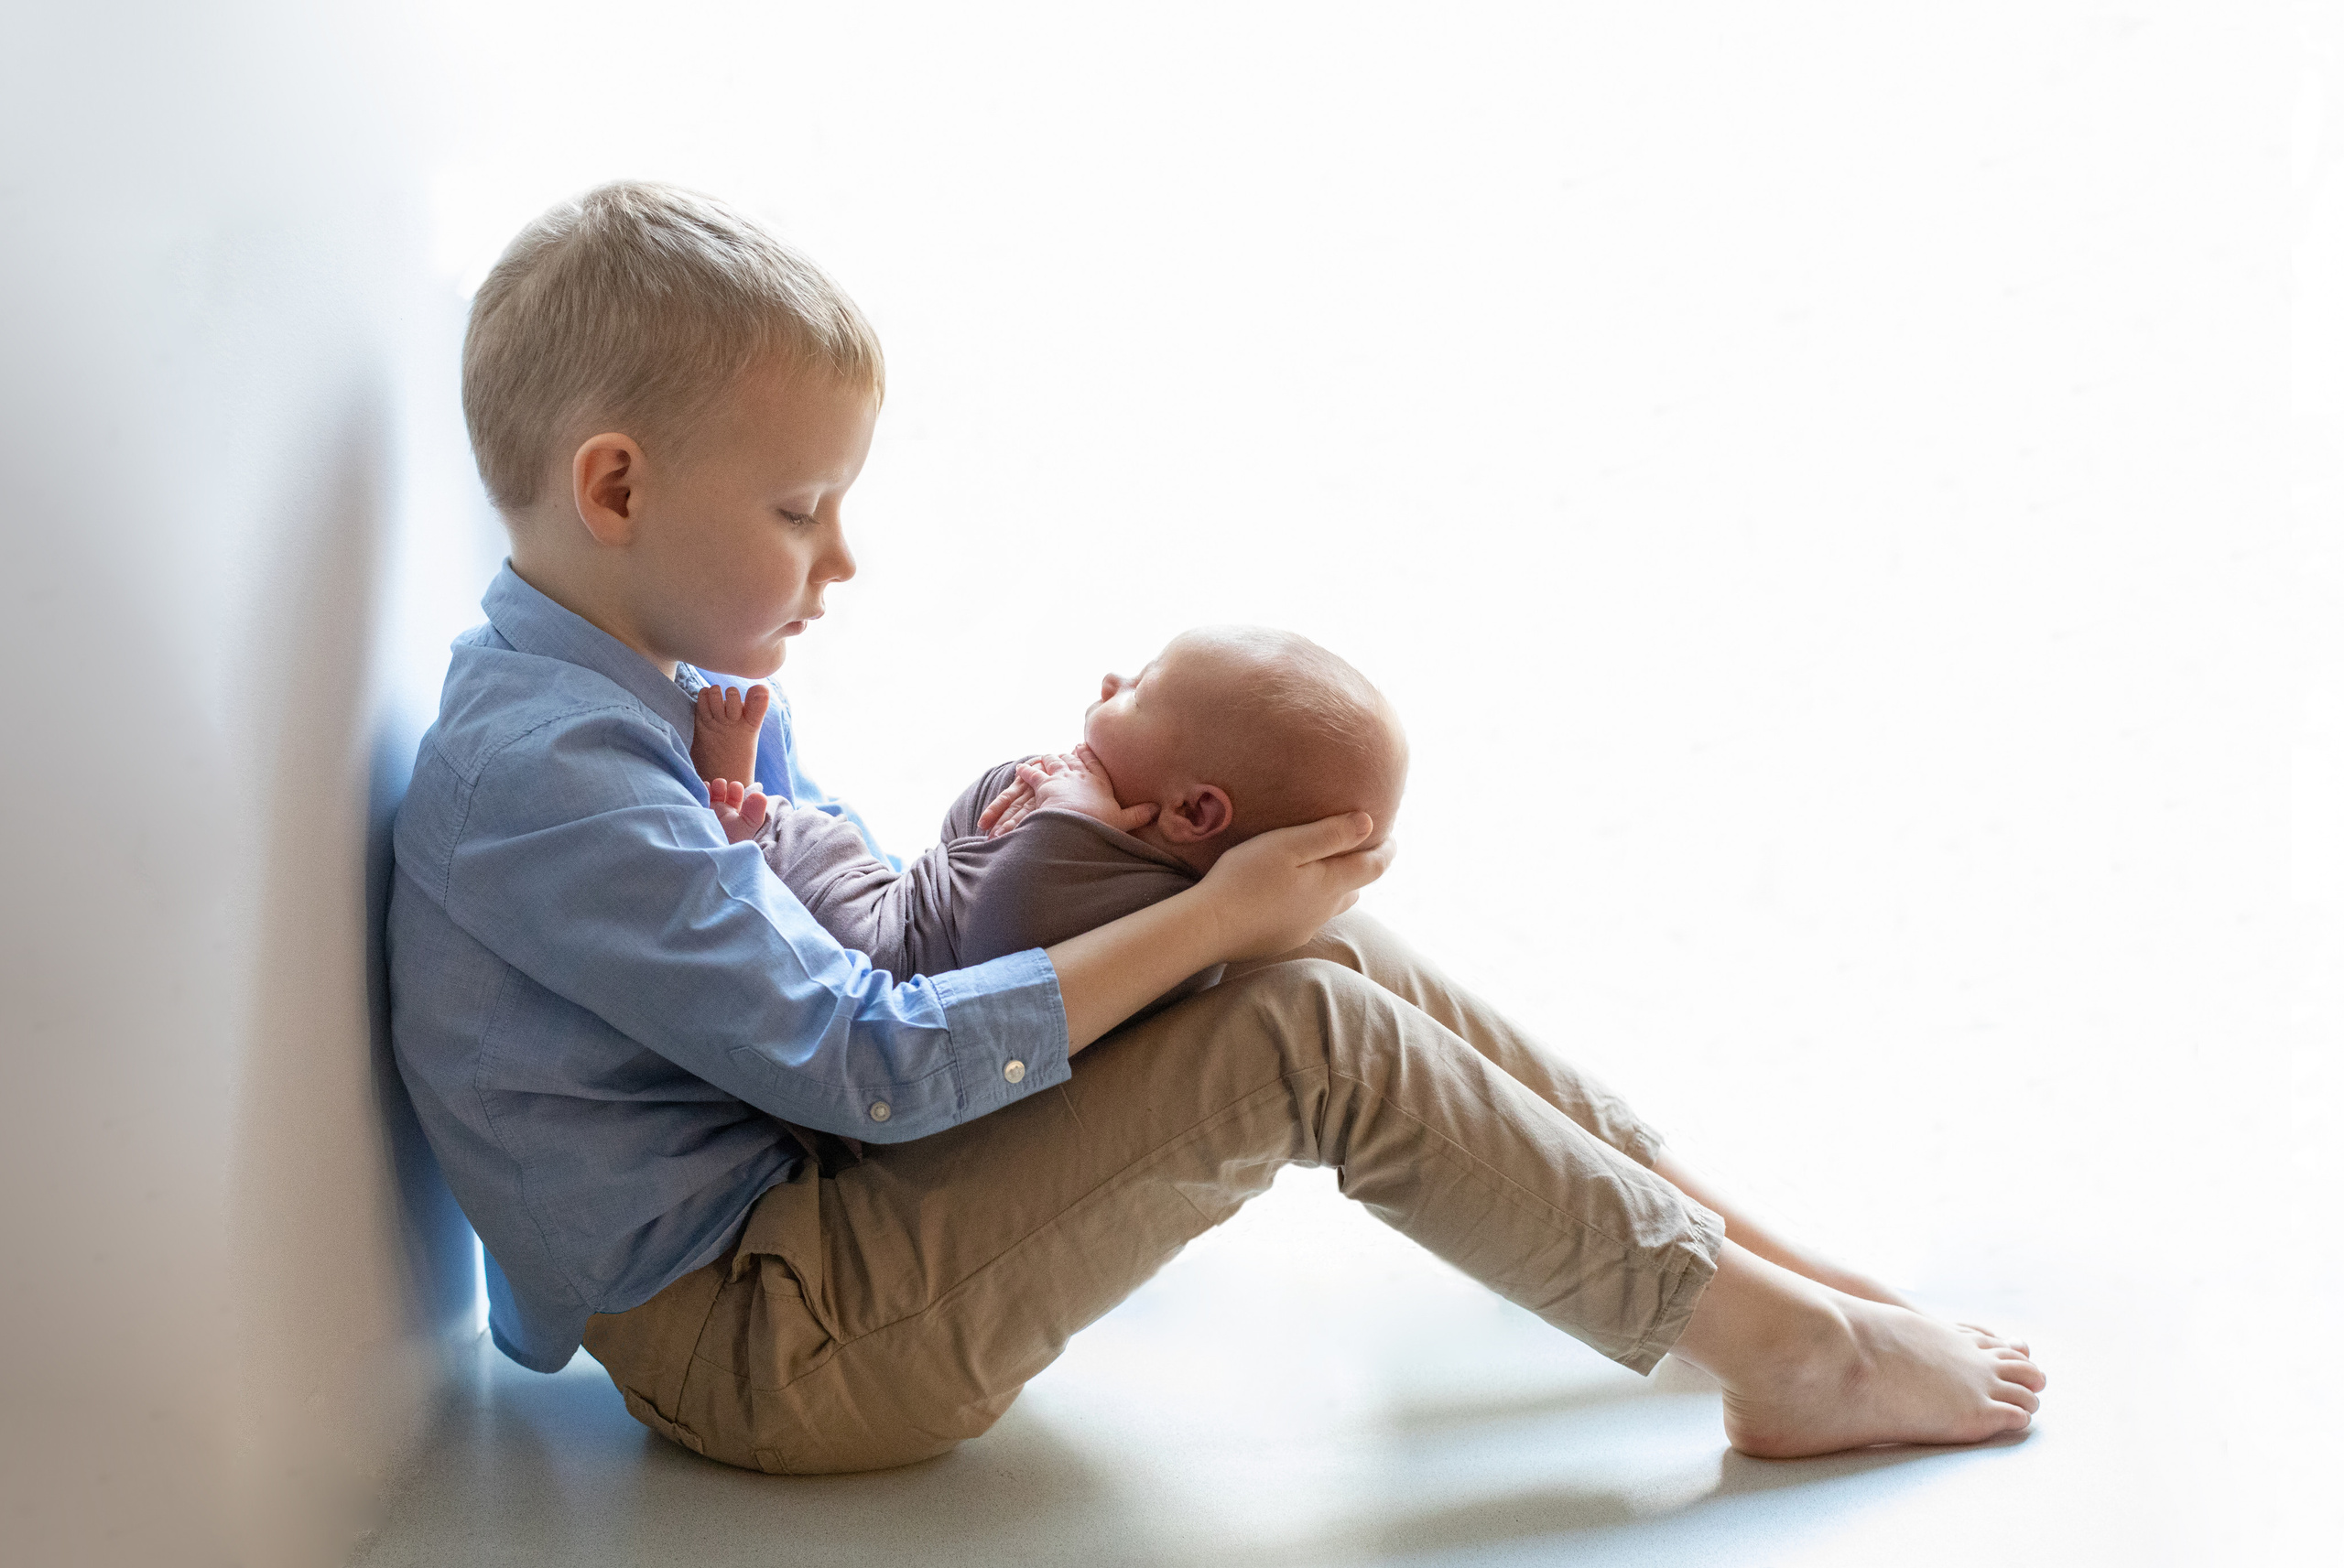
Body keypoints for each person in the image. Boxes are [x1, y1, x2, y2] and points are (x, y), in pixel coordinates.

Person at [386, 179, 2044, 1478]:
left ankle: (1761, 1270)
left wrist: (1149, 877)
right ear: (616, 489)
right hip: (772, 1339)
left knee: (1304, 925)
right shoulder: (548, 779)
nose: (843, 563)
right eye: (801, 509)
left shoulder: (658, 678)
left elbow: (846, 927)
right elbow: (862, 1062)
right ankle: (1794, 1358)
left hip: (813, 1212)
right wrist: (1196, 922)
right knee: (1292, 1015)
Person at [684, 625, 1407, 1018]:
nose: (1111, 683)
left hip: (878, 951)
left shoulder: (1136, 896)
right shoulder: (1137, 871)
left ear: (1194, 811)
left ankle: (738, 812)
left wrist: (1067, 819)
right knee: (829, 839)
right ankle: (753, 816)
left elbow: (1003, 923)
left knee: (815, 846)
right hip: (899, 907)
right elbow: (964, 826)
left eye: (1140, 691)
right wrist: (1051, 794)